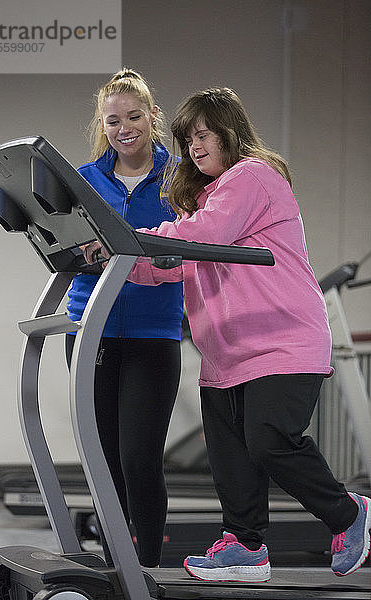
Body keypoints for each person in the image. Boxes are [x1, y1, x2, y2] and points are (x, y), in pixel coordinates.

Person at [83, 87, 371, 581]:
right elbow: (175, 263)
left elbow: (204, 237)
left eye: (203, 134)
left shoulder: (252, 176)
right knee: (231, 457)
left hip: (280, 343)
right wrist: (122, 262)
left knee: (269, 442)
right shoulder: (208, 199)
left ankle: (350, 515)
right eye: (187, 139)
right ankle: (244, 547)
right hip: (226, 352)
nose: (194, 146)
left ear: (228, 131)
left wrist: (127, 242)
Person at [66, 68, 184, 568]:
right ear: (102, 124)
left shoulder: (182, 175)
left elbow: (193, 244)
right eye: (113, 120)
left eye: (134, 116)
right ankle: (117, 567)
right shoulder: (84, 180)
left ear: (152, 117)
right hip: (89, 329)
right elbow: (62, 247)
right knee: (104, 460)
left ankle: (149, 570)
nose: (124, 128)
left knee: (139, 459)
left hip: (154, 334)